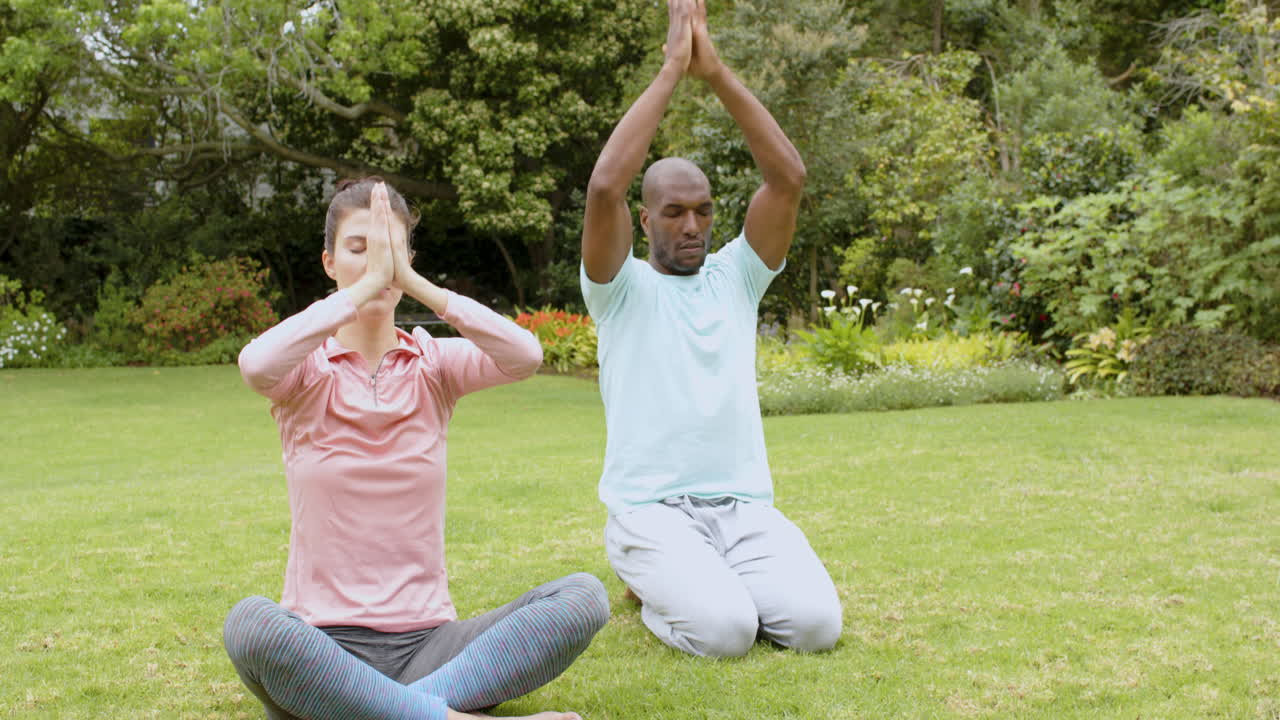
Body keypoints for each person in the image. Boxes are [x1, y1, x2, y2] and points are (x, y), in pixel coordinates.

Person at [226, 178, 608, 720]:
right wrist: (361, 290)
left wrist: (417, 286)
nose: (378, 262)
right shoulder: (307, 372)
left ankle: (378, 711)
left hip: (429, 648)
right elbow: (256, 365)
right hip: (322, 648)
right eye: (360, 248)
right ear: (329, 261)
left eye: (392, 249)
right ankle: (440, 716)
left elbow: (525, 355)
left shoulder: (434, 364)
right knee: (252, 623)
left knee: (582, 597)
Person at [579, 0, 842, 658]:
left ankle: (699, 583)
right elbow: (605, 186)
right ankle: (654, 585)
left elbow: (789, 177)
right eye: (673, 212)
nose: (692, 226)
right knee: (727, 634)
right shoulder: (619, 289)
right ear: (646, 221)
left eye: (701, 211)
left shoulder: (737, 277)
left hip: (743, 508)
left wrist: (716, 72)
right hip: (652, 513)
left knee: (815, 629)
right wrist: (672, 70)